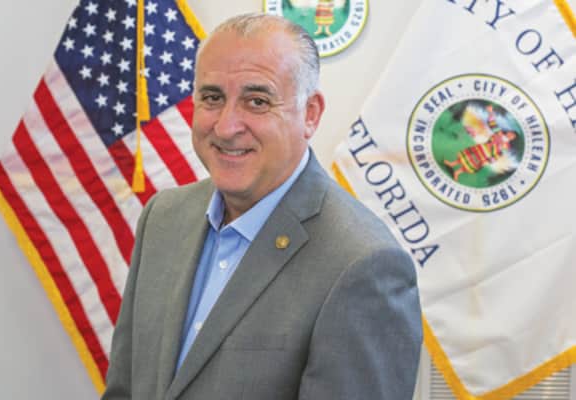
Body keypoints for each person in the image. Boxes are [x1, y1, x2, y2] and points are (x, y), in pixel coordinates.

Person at [102, 13, 422, 400]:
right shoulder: (162, 218)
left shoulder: (364, 265)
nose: (226, 127)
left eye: (257, 102)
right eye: (212, 98)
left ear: (310, 114)